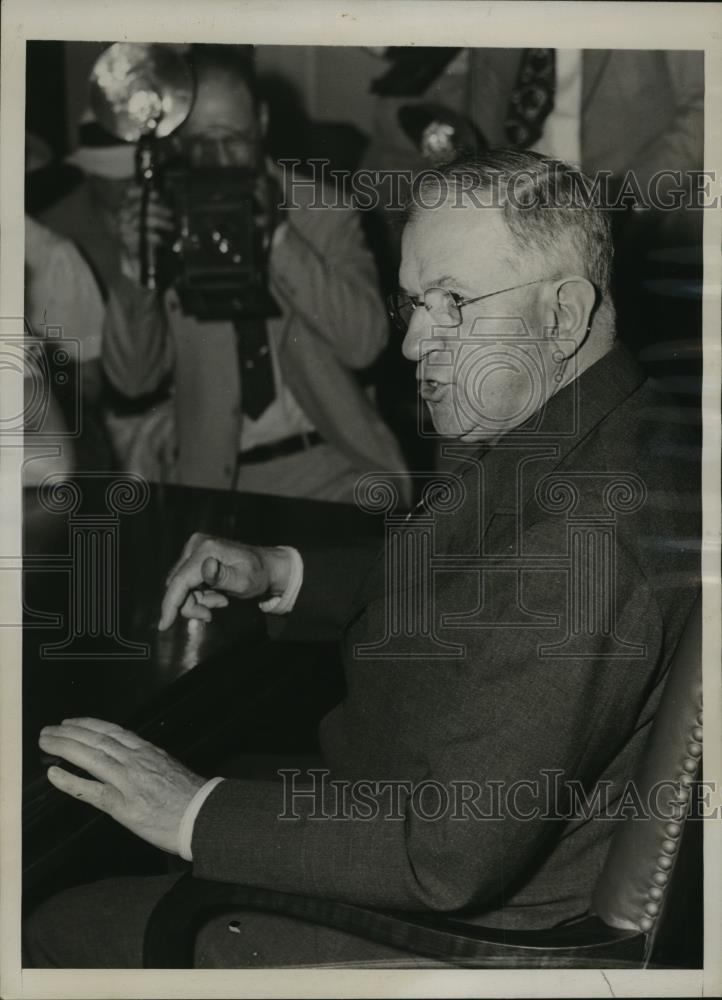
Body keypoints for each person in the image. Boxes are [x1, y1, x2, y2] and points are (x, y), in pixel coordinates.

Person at [25, 151, 700, 967]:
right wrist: (286, 570)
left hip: (466, 932)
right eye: (416, 302)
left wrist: (192, 811)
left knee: (55, 924)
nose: (414, 341)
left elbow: (443, 858)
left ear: (564, 313)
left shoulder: (588, 532)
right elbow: (482, 574)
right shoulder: (600, 418)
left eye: (453, 303)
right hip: (419, 818)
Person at [100, 43, 409, 501]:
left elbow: (364, 344)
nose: (220, 159)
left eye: (234, 139)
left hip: (337, 468)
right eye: (201, 143)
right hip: (216, 483)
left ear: (261, 123)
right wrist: (136, 268)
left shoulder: (323, 210)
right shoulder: (161, 218)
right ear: (174, 139)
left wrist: (281, 241)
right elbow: (133, 380)